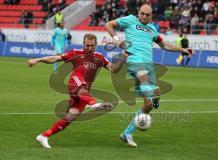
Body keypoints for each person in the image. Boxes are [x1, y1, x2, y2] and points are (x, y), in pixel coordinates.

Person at [105, 4, 192, 147]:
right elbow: (109, 24)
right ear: (138, 13)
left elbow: (165, 45)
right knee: (150, 88)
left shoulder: (152, 30)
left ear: (151, 16)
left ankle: (127, 133)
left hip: (148, 66)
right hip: (134, 61)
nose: (144, 16)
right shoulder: (130, 20)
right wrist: (116, 39)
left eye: (147, 15)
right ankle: (153, 92)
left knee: (149, 105)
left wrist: (182, 49)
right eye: (142, 13)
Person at [28, 33, 128, 149]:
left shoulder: (100, 57)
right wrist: (37, 59)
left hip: (84, 93)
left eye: (92, 45)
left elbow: (114, 69)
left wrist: (123, 59)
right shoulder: (76, 53)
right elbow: (55, 58)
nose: (89, 48)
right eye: (87, 45)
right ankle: (93, 104)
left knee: (70, 117)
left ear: (96, 45)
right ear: (83, 44)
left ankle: (44, 136)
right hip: (75, 83)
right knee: (82, 86)